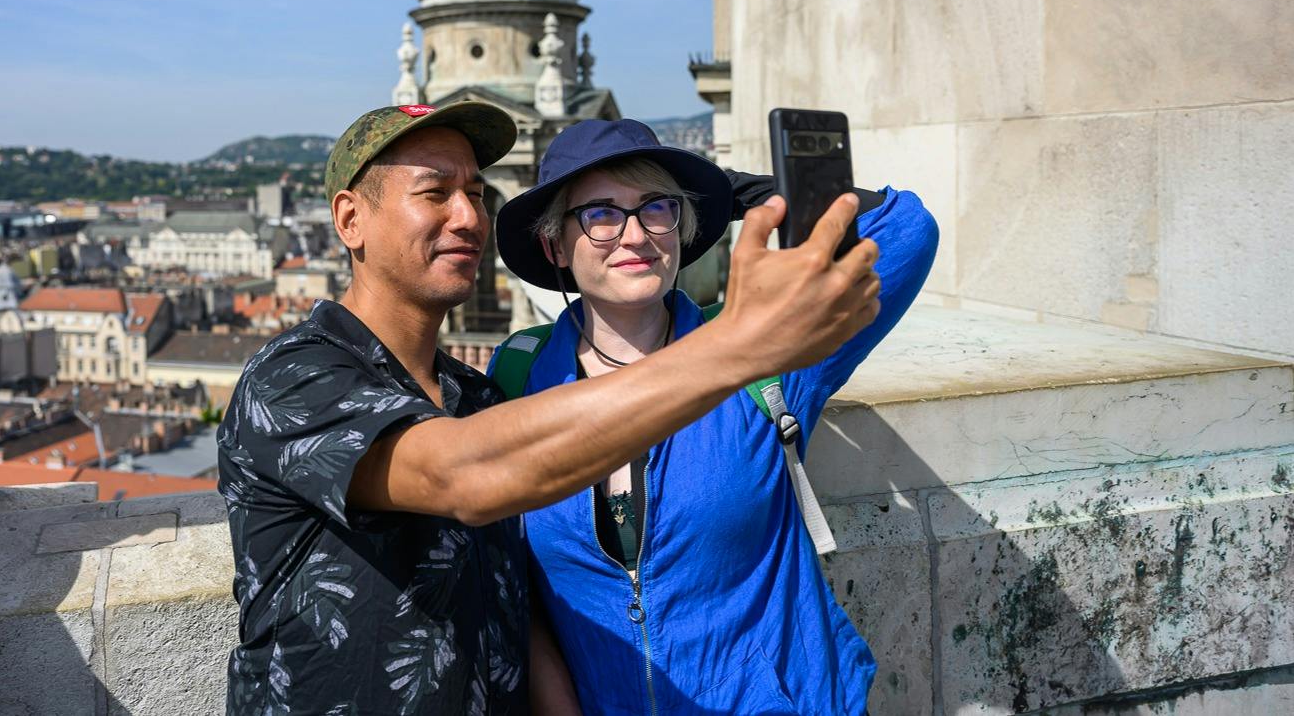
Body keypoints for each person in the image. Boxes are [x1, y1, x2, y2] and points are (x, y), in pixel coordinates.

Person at [216, 102, 888, 714]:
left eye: (477, 193)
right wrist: (736, 345)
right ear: (348, 219)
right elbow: (461, 476)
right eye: (435, 192)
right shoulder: (294, 377)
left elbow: (517, 596)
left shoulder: (477, 393)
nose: (468, 216)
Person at [488, 117, 939, 715]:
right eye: (600, 214)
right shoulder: (519, 373)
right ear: (554, 245)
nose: (634, 235)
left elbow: (908, 227)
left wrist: (752, 195)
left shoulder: (767, 348)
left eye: (656, 208)